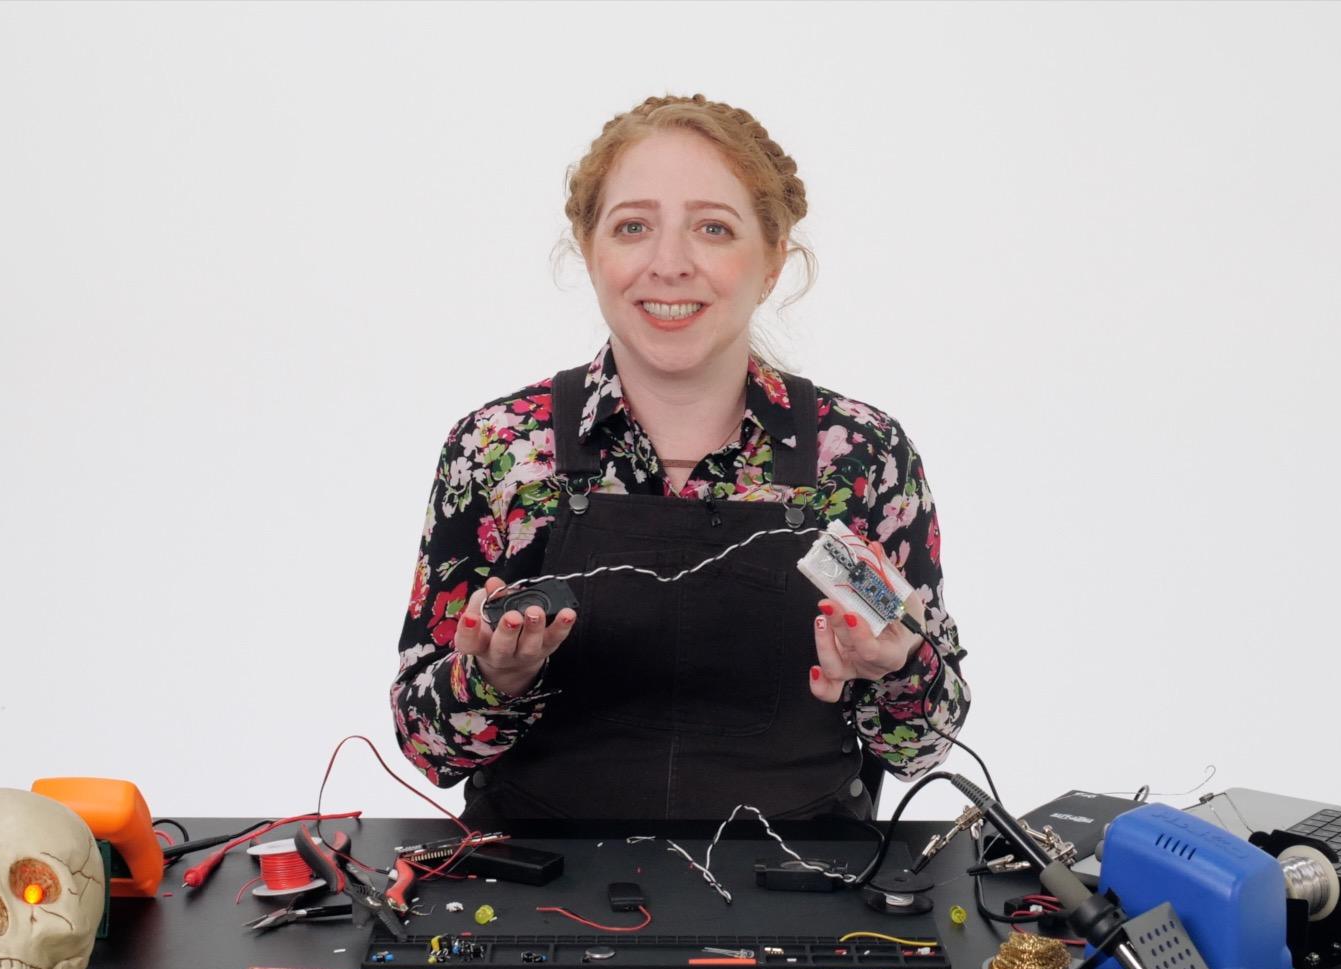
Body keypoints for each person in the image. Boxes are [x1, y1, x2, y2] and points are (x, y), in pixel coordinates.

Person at [391, 94, 970, 826]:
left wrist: (895, 669)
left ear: (771, 260)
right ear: (590, 249)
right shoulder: (499, 450)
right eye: (633, 227)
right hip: (532, 898)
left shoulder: (862, 457)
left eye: (713, 229)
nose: (669, 264)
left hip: (804, 904)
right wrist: (491, 679)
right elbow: (427, 747)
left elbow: (928, 744)